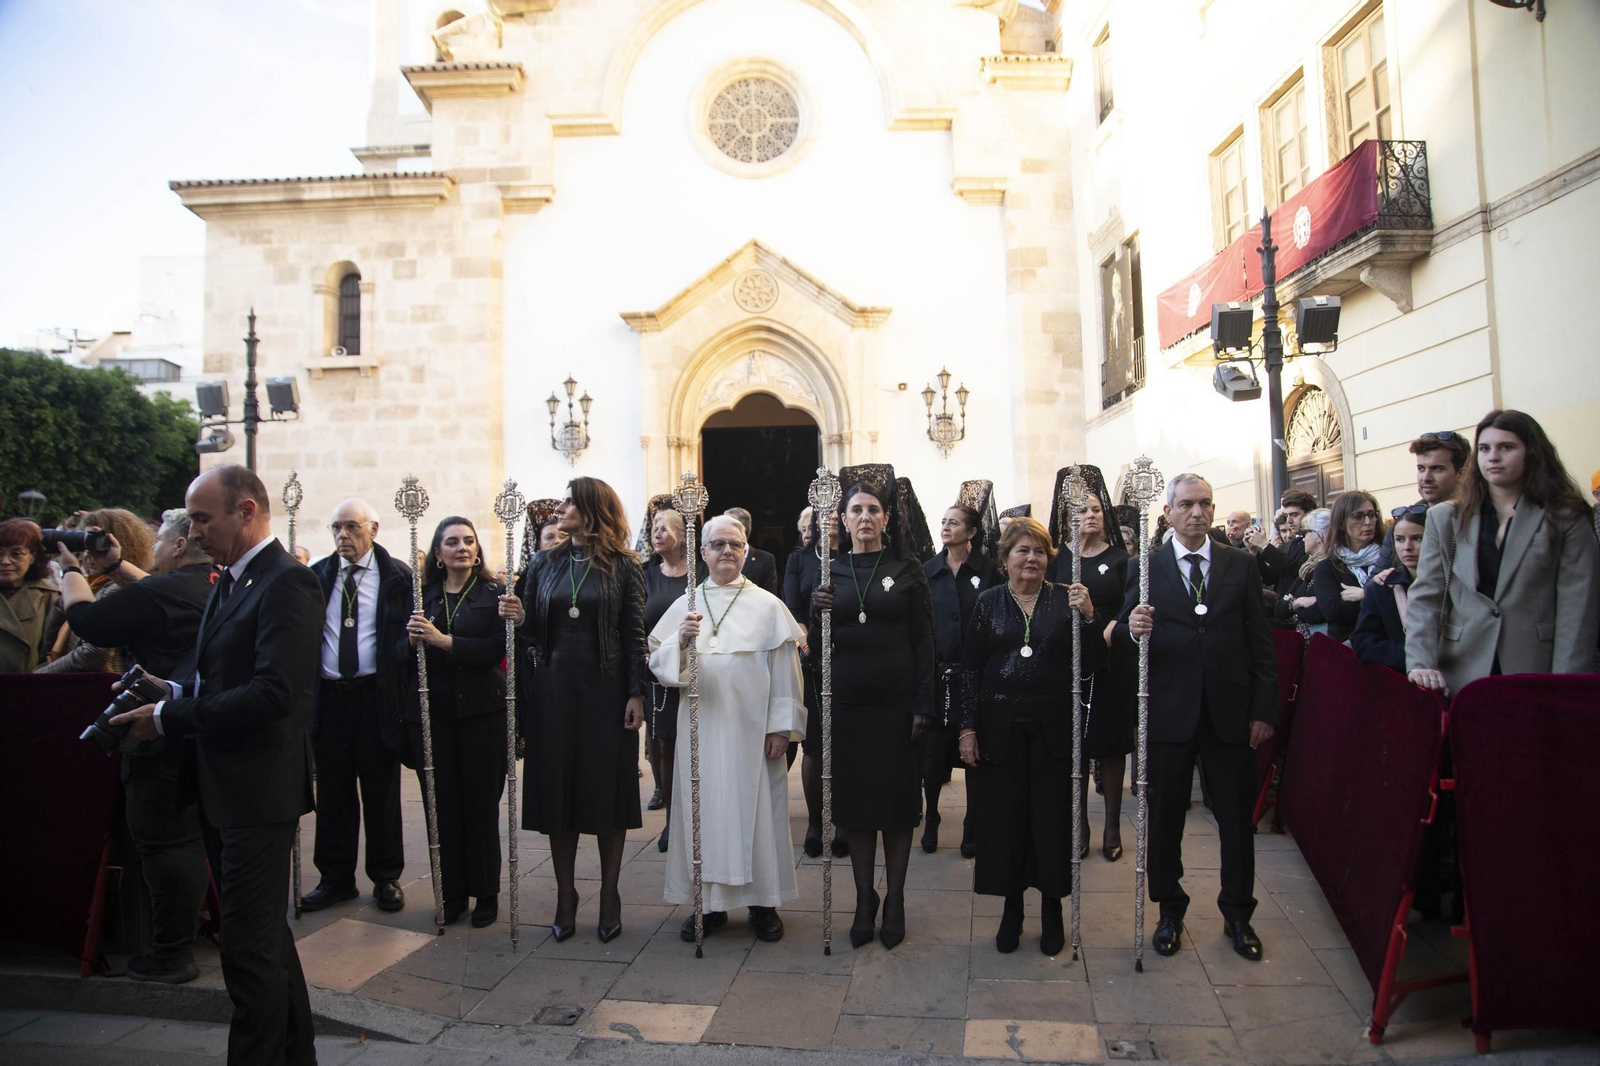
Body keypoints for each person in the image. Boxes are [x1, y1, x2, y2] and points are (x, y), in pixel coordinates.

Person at [109, 464, 320, 1066]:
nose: (193, 530)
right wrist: (172, 694)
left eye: (204, 517)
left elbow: (275, 694)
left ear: (246, 512)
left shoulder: (287, 582)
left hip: (258, 795)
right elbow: (219, 677)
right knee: (265, 943)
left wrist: (171, 720)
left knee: (247, 953)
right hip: (222, 787)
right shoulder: (229, 579)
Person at [48, 507, 213, 984]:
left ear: (180, 546)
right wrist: (116, 565)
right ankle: (177, 946)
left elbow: (90, 623)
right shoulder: (212, 584)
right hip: (196, 728)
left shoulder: (165, 590)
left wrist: (72, 571)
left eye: (161, 539)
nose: (154, 546)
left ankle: (169, 955)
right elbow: (156, 593)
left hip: (156, 734)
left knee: (163, 844)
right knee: (186, 841)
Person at [1120, 473, 1277, 962]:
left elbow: (1260, 643)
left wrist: (1263, 709)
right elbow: (1128, 633)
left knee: (1234, 819)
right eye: (1187, 504)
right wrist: (1131, 627)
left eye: (1206, 504)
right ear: (1168, 512)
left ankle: (1238, 913)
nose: (1198, 513)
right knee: (1166, 817)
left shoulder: (1239, 565)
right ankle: (1170, 909)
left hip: (1229, 713)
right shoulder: (1144, 567)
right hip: (1169, 711)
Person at [647, 515, 806, 943]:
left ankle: (763, 904)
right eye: (717, 545)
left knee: (759, 814)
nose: (727, 552)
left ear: (746, 551)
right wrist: (679, 641)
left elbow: (786, 672)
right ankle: (709, 905)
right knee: (703, 810)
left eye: (735, 545)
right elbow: (659, 665)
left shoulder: (768, 605)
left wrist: (782, 727)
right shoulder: (686, 604)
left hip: (754, 730)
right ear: (702, 553)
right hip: (702, 727)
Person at [960, 514, 1102, 954]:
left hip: (1053, 731)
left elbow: (1094, 664)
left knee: (1051, 821)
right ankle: (1011, 909)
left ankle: (1052, 910)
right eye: (1023, 550)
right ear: (1005, 558)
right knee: (1006, 822)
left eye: (1040, 551)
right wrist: (967, 728)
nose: (1032, 558)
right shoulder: (988, 602)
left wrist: (1091, 617)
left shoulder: (1067, 600)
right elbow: (969, 669)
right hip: (999, 731)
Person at [809, 465, 934, 950]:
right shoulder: (829, 572)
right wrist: (816, 609)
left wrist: (924, 701)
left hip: (898, 707)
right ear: (841, 517)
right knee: (856, 810)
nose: (865, 517)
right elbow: (820, 649)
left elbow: (925, 641)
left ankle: (896, 898)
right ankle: (865, 899)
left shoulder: (907, 570)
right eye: (856, 509)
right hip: (848, 709)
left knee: (898, 809)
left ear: (886, 519)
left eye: (873, 510)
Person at [518, 477, 647, 943]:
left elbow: (634, 632)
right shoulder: (542, 562)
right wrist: (518, 618)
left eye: (571, 501)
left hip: (605, 690)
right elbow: (532, 630)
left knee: (606, 791)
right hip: (553, 691)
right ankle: (565, 894)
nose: (562, 507)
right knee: (559, 792)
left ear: (593, 509)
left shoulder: (624, 566)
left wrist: (636, 693)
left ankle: (610, 893)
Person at [1406, 409, 1600, 700]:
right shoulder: (1445, 519)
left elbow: (1578, 612)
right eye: (1485, 448)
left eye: (1506, 447)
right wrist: (1420, 664)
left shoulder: (1566, 518)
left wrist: (1566, 687)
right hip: (1461, 674)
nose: (1493, 457)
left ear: (1531, 453)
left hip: (1537, 671)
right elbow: (1425, 599)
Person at [399, 516, 517, 927]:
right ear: (438, 552)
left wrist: (444, 641)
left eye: (469, 540)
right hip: (434, 716)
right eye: (452, 542)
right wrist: (412, 641)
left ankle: (486, 892)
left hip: (481, 713)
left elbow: (497, 649)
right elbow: (397, 653)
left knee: (480, 805)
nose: (463, 547)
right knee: (442, 806)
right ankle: (451, 893)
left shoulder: (494, 593)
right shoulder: (422, 594)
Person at [302, 500, 411, 914]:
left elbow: (403, 639)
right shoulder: (319, 575)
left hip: (375, 696)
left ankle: (385, 876)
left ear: (373, 529)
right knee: (332, 792)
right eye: (336, 528)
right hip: (330, 698)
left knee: (381, 791)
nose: (343, 536)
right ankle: (335, 878)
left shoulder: (397, 576)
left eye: (352, 527)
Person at [1047, 466, 1135, 862]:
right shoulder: (1056, 559)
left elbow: (1129, 604)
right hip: (1066, 663)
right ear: (1069, 517)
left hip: (1109, 661)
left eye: (1097, 509)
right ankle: (1078, 823)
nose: (1091, 516)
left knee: (1111, 745)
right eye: (1083, 510)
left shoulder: (1120, 559)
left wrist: (1106, 624)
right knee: (1074, 746)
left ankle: (1112, 823)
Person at [922, 490, 1000, 855]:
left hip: (977, 673)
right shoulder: (929, 570)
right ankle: (933, 814)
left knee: (973, 750)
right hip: (940, 674)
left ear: (970, 532)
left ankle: (973, 821)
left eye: (954, 522)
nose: (946, 527)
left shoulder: (987, 571)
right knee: (934, 751)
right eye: (943, 522)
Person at [782, 504, 848, 860]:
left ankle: (846, 820)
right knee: (814, 745)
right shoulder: (800, 561)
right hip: (812, 658)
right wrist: (808, 644)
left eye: (839, 513)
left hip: (851, 659)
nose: (833, 518)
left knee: (848, 742)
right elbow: (792, 607)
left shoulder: (854, 556)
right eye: (827, 514)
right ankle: (815, 820)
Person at [37, 508, 155, 675]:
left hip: (98, 688)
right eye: (85, 544)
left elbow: (92, 656)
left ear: (123, 545)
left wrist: (38, 676)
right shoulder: (90, 585)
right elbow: (48, 642)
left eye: (97, 546)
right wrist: (68, 592)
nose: (88, 554)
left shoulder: (119, 590)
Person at [641, 499, 696, 853]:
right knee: (663, 743)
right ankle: (672, 824)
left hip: (697, 670)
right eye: (654, 528)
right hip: (657, 669)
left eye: (664, 528)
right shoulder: (644, 574)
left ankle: (698, 818)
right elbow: (635, 621)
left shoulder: (699, 573)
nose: (657, 534)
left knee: (693, 744)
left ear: (681, 535)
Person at [1351, 505, 1428, 674]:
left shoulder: (1456, 583)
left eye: (1417, 538)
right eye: (1400, 539)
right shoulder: (1381, 589)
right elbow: (1363, 642)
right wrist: (1413, 655)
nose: (1407, 547)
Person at [1379, 432, 1471, 564]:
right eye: (1421, 468)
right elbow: (1376, 580)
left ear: (1461, 474)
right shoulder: (1404, 523)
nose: (1426, 478)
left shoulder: (1478, 519)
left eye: (1437, 469)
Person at [1312, 491, 1385, 644]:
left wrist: (1366, 594)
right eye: (1358, 516)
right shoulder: (1327, 567)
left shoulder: (1389, 558)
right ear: (1341, 523)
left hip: (1388, 645)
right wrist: (1379, 597)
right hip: (1348, 648)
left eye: (1372, 515)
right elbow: (1334, 611)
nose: (1368, 522)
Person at [0, 519, 63, 672]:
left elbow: (56, 651)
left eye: (16, 554)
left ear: (33, 557)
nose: (5, 561)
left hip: (26, 687)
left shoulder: (49, 596)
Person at [1252, 489, 1317, 599]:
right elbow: (1270, 578)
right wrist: (1255, 552)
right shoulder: (1289, 544)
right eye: (1287, 516)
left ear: (1309, 514)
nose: (1289, 521)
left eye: (1294, 515)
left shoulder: (1318, 541)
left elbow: (1297, 569)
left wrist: (1264, 545)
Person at [1273, 508, 1330, 634]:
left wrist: (1294, 608)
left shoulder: (1332, 566)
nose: (1303, 539)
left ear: (1319, 536)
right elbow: (1280, 609)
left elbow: (1323, 610)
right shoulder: (1308, 567)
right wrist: (1298, 602)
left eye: (1305, 534)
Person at [724, 507, 778, 594]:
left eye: (727, 525)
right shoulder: (713, 559)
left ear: (742, 529)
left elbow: (770, 596)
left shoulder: (765, 560)